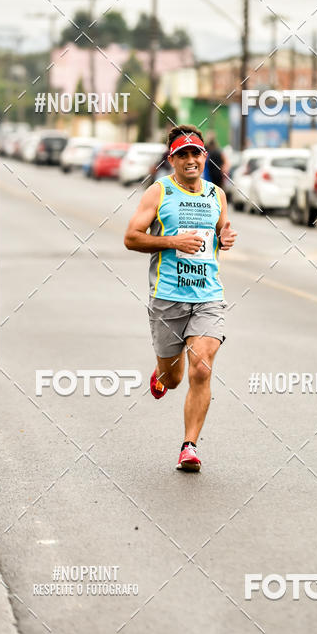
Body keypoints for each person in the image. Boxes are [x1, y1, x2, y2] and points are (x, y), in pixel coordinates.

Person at [124, 125, 237, 472]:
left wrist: (226, 237)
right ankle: (161, 375)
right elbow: (131, 237)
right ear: (171, 159)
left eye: (195, 153)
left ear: (205, 157)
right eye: (182, 154)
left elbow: (220, 231)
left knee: (201, 367)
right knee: (173, 379)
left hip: (208, 295)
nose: (190, 160)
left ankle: (189, 446)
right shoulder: (158, 192)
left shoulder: (217, 194)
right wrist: (173, 242)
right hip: (168, 296)